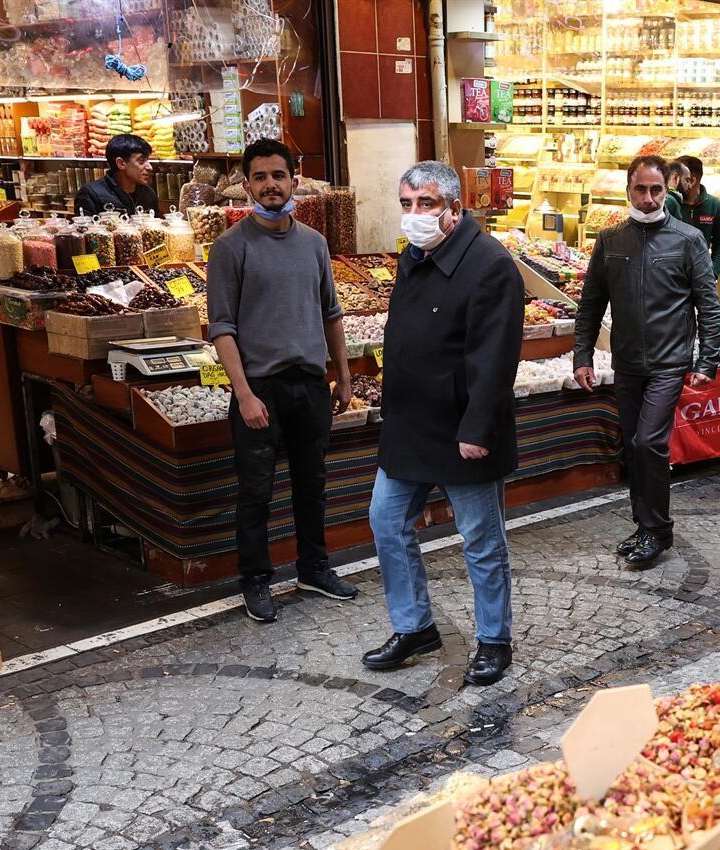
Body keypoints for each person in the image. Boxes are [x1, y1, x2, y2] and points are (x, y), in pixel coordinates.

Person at [363, 161, 526, 686]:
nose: (414, 215)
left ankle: (494, 639)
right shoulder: (414, 258)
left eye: (426, 204)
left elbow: (495, 358)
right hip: (410, 426)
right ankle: (415, 627)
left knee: (480, 540)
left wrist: (478, 429)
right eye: (407, 204)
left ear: (455, 210)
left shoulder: (489, 265)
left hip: (462, 430)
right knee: (386, 520)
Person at [207, 139, 357, 623]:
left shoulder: (314, 243)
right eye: (259, 177)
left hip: (310, 385)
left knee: (312, 484)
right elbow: (222, 328)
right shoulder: (230, 248)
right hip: (261, 390)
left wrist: (344, 375)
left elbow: (331, 314)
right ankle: (255, 579)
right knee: (256, 491)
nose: (270, 185)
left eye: (278, 175)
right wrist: (244, 394)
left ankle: (314, 567)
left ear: (295, 179)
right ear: (247, 185)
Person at [574, 154, 720, 569]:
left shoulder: (689, 240)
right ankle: (645, 526)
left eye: (656, 189)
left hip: (669, 362)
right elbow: (590, 305)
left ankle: (657, 529)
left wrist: (708, 360)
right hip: (628, 364)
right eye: (640, 189)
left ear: (666, 190)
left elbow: (707, 306)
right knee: (633, 447)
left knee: (649, 442)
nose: (648, 197)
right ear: (628, 190)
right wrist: (582, 355)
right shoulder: (610, 240)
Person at [665, 156, 720, 280]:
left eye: (677, 177)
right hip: (672, 276)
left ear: (692, 180)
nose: (672, 181)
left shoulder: (714, 205)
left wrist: (713, 273)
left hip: (701, 277)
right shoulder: (670, 203)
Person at [74, 134, 160, 217]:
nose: (150, 167)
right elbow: (84, 229)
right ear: (121, 163)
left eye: (148, 160)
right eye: (141, 161)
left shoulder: (148, 194)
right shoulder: (91, 194)